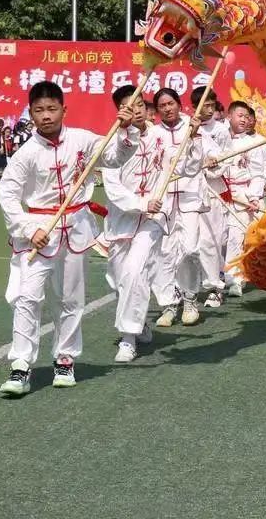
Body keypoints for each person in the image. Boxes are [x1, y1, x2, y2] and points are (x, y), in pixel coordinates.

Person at [0, 80, 140, 396]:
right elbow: (8, 195)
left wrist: (127, 130)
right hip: (38, 233)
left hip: (75, 228)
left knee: (71, 299)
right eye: (39, 110)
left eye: (51, 108)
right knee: (27, 298)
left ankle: (65, 360)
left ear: (64, 109)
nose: (46, 115)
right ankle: (20, 366)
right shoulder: (26, 154)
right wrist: (26, 228)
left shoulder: (82, 140)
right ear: (31, 115)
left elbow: (114, 158)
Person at [101, 85, 161, 363]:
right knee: (120, 280)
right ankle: (140, 323)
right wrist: (139, 203)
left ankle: (127, 339)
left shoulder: (163, 137)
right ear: (119, 110)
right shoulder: (111, 142)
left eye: (139, 104)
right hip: (121, 221)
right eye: (128, 105)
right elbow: (112, 188)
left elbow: (181, 167)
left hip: (152, 219)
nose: (135, 110)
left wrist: (197, 147)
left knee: (135, 272)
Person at [148, 88, 206, 328]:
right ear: (157, 110)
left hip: (190, 197)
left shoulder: (191, 127)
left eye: (171, 103)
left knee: (190, 249)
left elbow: (194, 166)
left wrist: (193, 138)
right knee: (164, 253)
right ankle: (169, 304)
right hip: (163, 201)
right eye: (162, 105)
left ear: (179, 104)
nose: (167, 108)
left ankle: (191, 299)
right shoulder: (153, 133)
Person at [216, 101, 266, 298]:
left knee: (250, 238)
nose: (244, 119)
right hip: (222, 196)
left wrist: (254, 196)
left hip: (246, 197)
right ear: (228, 116)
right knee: (226, 239)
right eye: (240, 115)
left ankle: (244, 276)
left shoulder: (254, 142)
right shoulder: (217, 138)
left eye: (246, 117)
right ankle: (228, 278)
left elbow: (259, 172)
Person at [190, 85, 233, 308]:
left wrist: (212, 165)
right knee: (190, 242)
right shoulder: (188, 129)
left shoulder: (222, 131)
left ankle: (216, 286)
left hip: (214, 192)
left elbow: (227, 158)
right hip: (190, 193)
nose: (208, 109)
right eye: (203, 105)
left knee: (213, 240)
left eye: (211, 105)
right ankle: (190, 286)